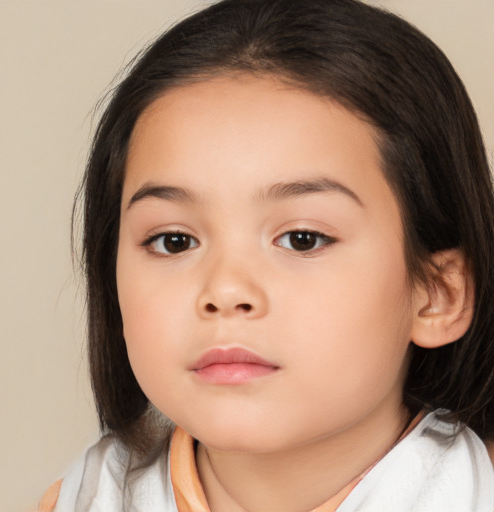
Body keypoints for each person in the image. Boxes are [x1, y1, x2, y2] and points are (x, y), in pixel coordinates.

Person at [39, 0, 494, 510]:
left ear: (437, 294)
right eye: (174, 241)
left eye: (302, 238)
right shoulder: (82, 499)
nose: (226, 290)